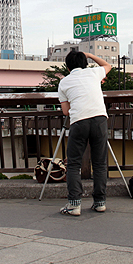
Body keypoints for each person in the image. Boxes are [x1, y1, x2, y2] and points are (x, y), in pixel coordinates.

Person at [57, 50, 112, 216]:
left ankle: (74, 204)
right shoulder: (94, 73)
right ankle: (100, 202)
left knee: (74, 164)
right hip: (99, 119)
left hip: (79, 121)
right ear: (85, 64)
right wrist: (90, 55)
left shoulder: (64, 82)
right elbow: (107, 65)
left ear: (68, 67)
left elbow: (65, 111)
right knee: (100, 163)